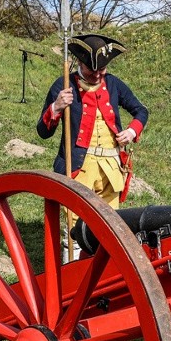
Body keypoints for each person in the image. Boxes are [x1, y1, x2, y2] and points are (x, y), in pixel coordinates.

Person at [37, 33, 148, 259]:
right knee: (76, 225)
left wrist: (131, 131)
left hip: (111, 168)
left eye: (102, 70)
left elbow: (141, 110)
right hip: (80, 168)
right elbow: (43, 131)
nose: (97, 75)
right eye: (92, 70)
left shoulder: (114, 84)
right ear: (80, 63)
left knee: (111, 224)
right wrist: (56, 107)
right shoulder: (63, 85)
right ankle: (72, 274)